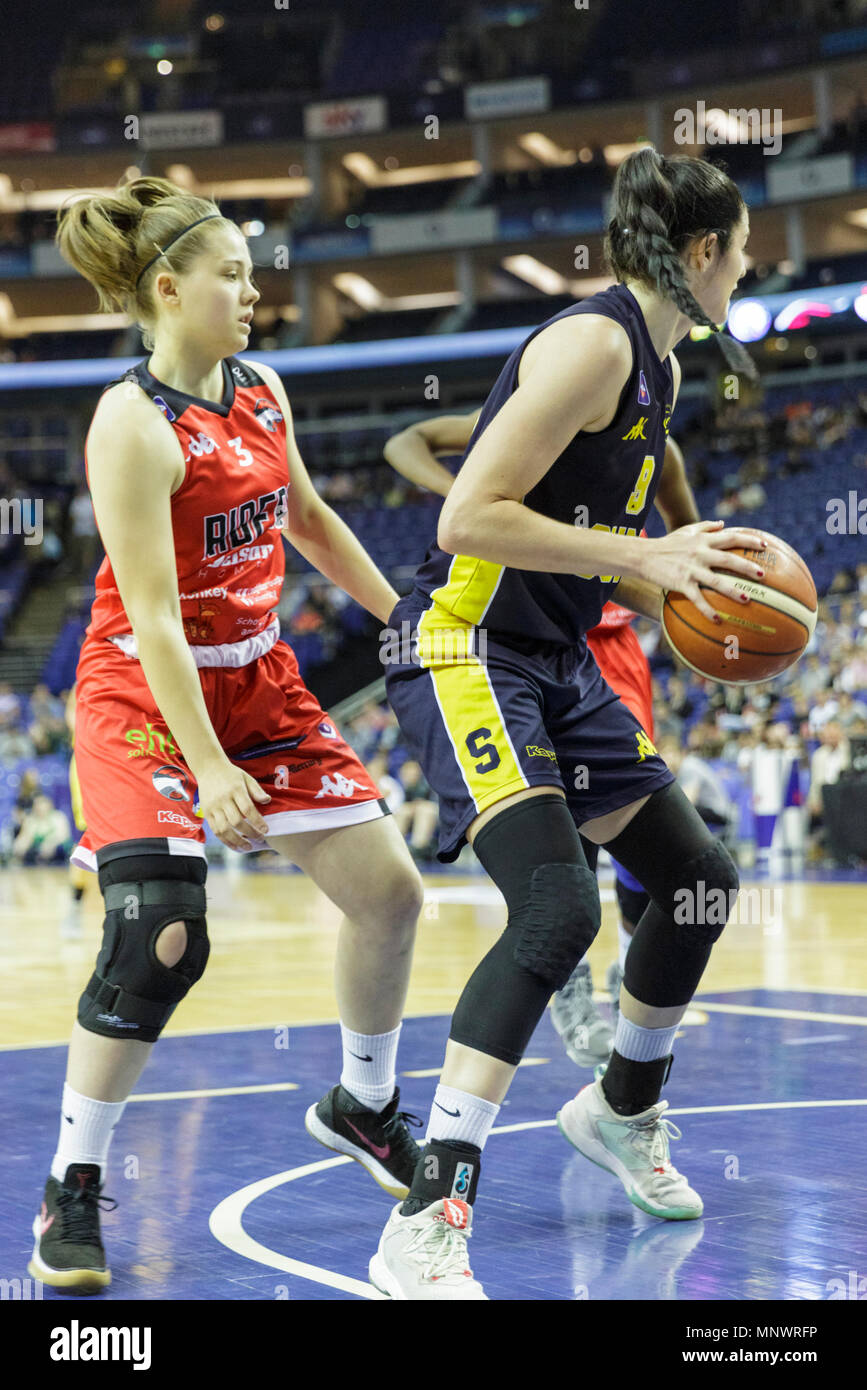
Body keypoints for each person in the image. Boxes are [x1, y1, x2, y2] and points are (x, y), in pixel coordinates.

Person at [369, 146, 766, 1300]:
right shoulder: (593, 344)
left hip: (554, 656)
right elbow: (466, 516)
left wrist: (707, 615)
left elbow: (606, 559)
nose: (746, 275)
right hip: (466, 644)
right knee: (557, 906)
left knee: (698, 877)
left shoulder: (667, 375)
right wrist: (647, 556)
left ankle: (619, 1108)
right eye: (741, 257)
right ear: (703, 255)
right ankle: (425, 1218)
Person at [28, 177, 426, 1295]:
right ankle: (73, 1182)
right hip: (146, 697)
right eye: (234, 274)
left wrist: (406, 619)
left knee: (393, 896)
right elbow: (151, 615)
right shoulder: (131, 422)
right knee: (162, 933)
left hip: (259, 678)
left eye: (252, 273)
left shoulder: (262, 390)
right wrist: (206, 768)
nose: (255, 292)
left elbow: (307, 521)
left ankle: (362, 1100)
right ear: (168, 287)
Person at [383, 414, 702, 1065]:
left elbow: (684, 545)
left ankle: (629, 975)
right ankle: (573, 985)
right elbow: (401, 441)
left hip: (608, 642)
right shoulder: (546, 411)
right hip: (527, 629)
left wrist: (702, 609)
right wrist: (459, 489)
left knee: (650, 832)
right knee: (563, 847)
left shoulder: (658, 451)